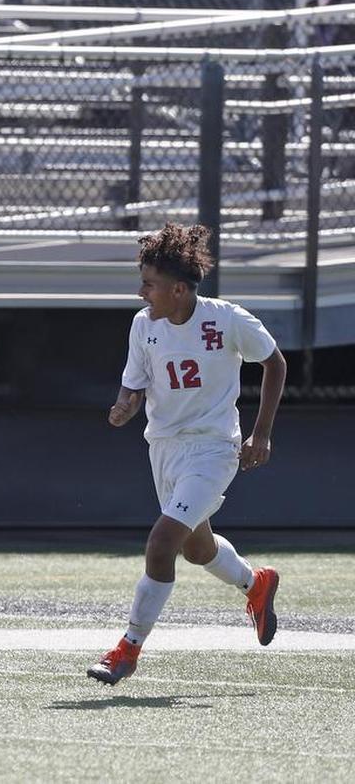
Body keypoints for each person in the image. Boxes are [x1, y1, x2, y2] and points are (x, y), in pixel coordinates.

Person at [87, 223, 287, 686]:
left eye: (149, 284)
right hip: (164, 447)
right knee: (197, 549)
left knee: (161, 544)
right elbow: (134, 383)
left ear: (179, 289)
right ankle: (255, 584)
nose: (142, 293)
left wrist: (262, 434)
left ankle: (126, 649)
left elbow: (274, 362)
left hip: (214, 448)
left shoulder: (228, 319)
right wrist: (125, 405)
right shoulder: (144, 326)